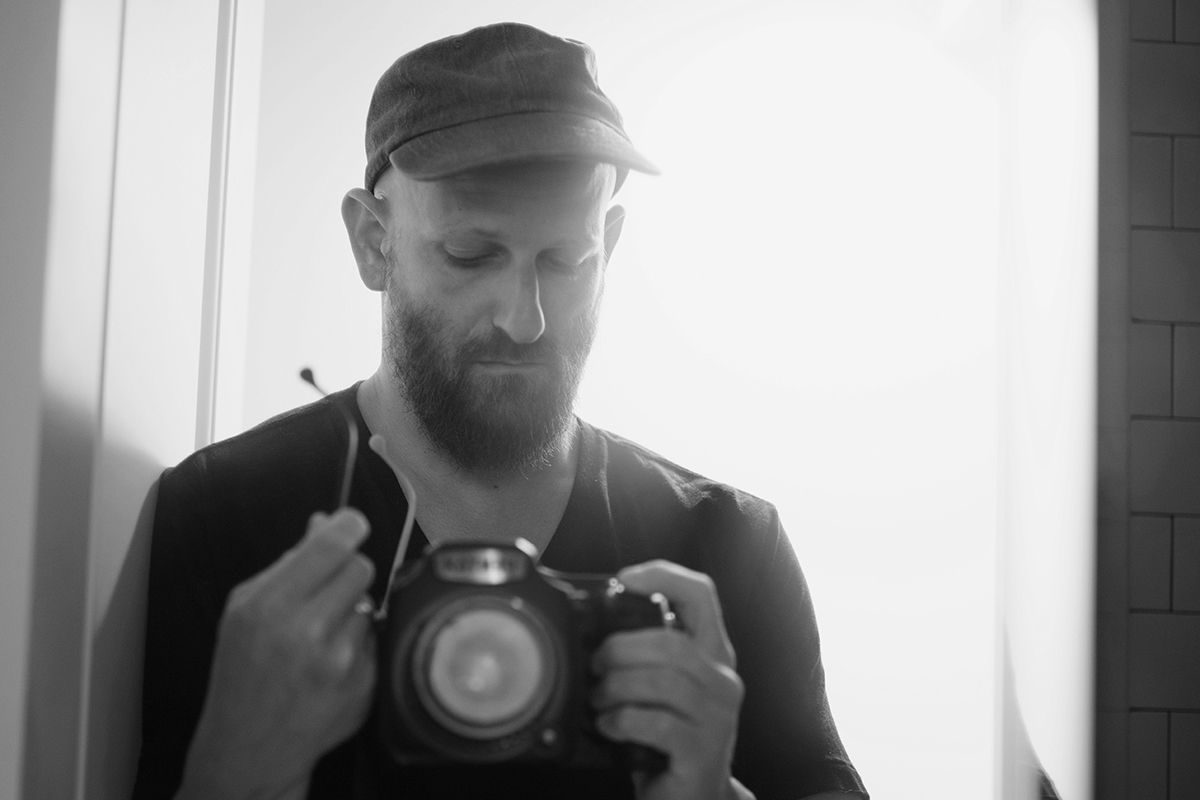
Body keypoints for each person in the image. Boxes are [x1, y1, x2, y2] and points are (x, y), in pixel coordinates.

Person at [133, 21, 868, 800]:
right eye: (471, 255)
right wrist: (237, 769)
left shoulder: (725, 546)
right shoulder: (227, 521)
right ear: (372, 242)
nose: (527, 320)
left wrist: (714, 792)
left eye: (566, 261)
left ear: (609, 246)